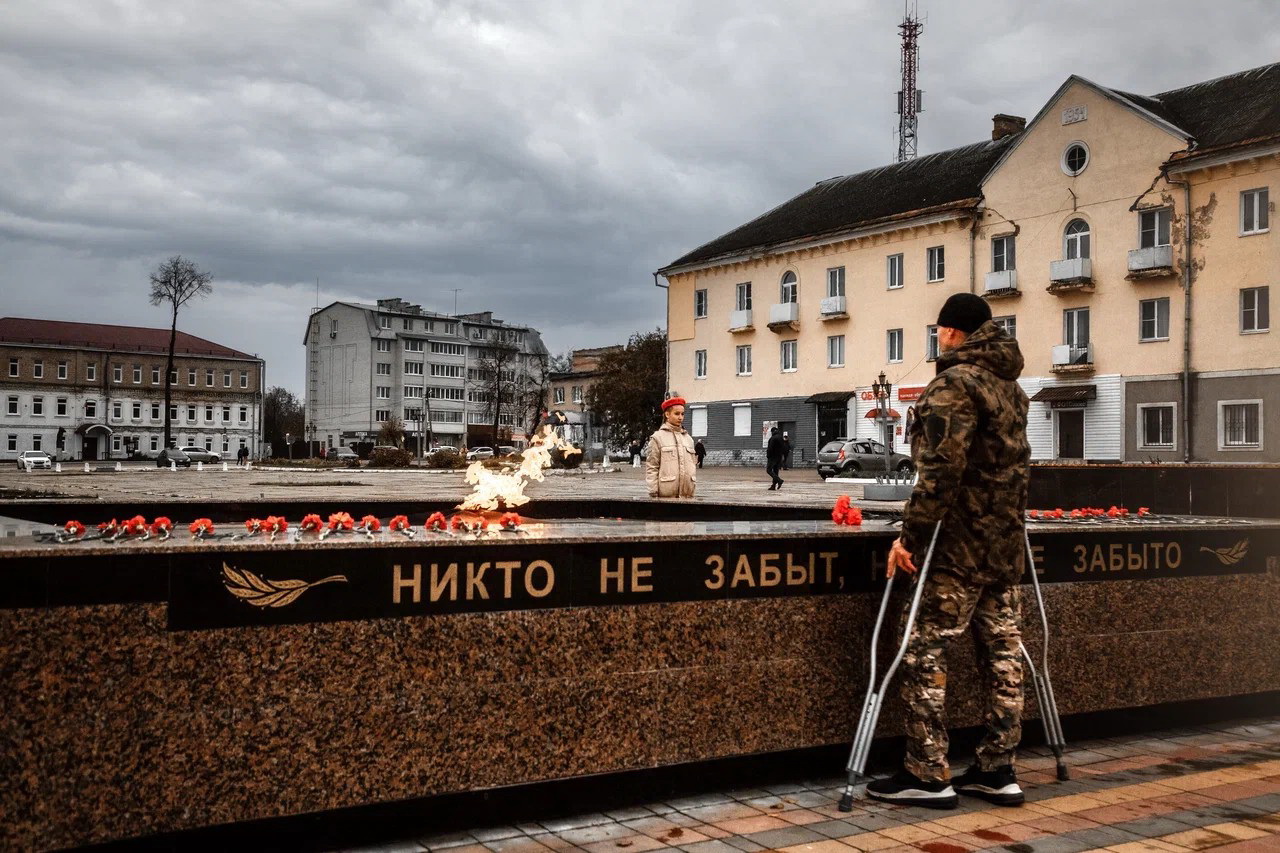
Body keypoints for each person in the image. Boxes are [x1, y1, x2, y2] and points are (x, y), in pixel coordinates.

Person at [866, 292, 1031, 810]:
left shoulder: (954, 385)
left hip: (956, 548)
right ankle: (997, 767)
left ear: (954, 333)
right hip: (1003, 548)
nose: (937, 338)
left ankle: (926, 771)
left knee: (921, 651)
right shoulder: (1010, 386)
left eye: (939, 330)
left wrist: (908, 537)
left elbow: (940, 473)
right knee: (1003, 656)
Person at [646, 397, 697, 498]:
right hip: (665, 495)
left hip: (687, 495)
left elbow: (692, 466)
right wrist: (653, 492)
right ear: (667, 414)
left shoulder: (688, 439)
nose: (680, 417)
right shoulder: (658, 438)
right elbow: (652, 467)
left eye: (682, 414)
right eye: (676, 414)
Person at [765, 426, 785, 490]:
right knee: (776, 471)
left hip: (772, 457)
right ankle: (773, 485)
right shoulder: (781, 438)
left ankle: (779, 480)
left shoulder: (772, 438)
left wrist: (768, 455)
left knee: (769, 470)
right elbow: (784, 447)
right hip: (779, 457)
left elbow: (770, 448)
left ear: (772, 432)